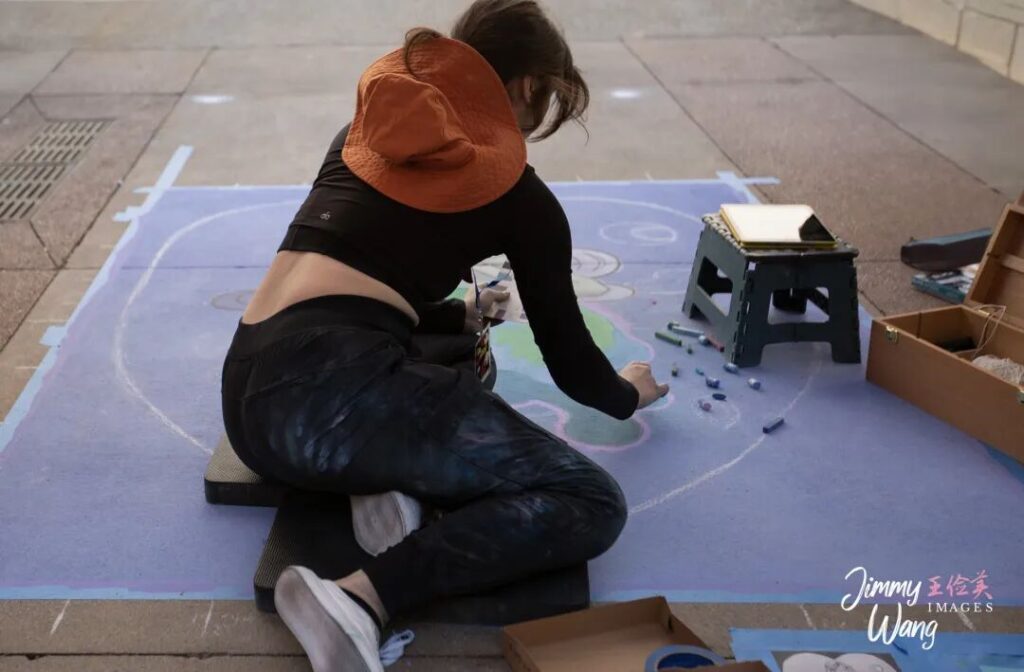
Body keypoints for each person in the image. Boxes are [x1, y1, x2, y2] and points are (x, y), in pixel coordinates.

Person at [220, 1, 669, 669]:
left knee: (463, 346)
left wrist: (454, 316)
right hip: (330, 403)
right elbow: (572, 362)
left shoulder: (363, 134)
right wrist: (629, 395)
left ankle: (379, 484)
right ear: (526, 86)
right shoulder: (521, 198)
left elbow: (338, 271)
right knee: (591, 500)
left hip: (250, 407)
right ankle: (357, 599)